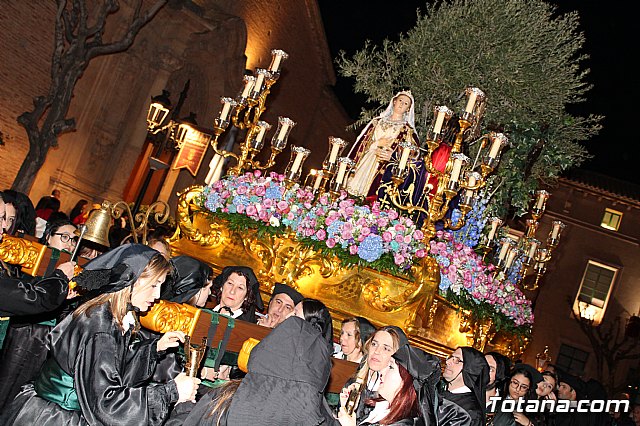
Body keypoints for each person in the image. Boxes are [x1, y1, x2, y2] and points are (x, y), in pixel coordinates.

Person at [0, 244, 201, 425]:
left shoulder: (106, 313)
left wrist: (153, 349)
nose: (157, 296)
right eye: (154, 285)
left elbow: (109, 369)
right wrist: (171, 391)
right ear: (132, 282)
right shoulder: (101, 328)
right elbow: (106, 403)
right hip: (57, 417)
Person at [171, 304, 334, 425]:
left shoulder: (227, 398)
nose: (288, 314)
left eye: (294, 313)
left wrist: (183, 405)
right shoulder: (321, 418)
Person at [0, 219, 79, 410]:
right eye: (64, 237)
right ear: (48, 237)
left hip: (45, 342)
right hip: (23, 337)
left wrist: (64, 298)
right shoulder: (30, 264)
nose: (69, 243)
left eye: (74, 239)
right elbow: (31, 299)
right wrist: (58, 278)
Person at [345, 91, 423, 205]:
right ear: (394, 102)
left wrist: (395, 155)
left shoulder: (407, 130)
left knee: (372, 194)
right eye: (400, 101)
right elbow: (361, 144)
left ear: (408, 109)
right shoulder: (377, 122)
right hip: (367, 159)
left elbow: (413, 154)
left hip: (385, 165)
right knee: (353, 186)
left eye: (406, 104)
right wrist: (376, 144)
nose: (402, 104)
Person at [441, 346, 490, 426]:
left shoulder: (471, 413)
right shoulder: (437, 390)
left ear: (469, 368)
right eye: (450, 357)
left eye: (457, 360)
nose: (447, 362)